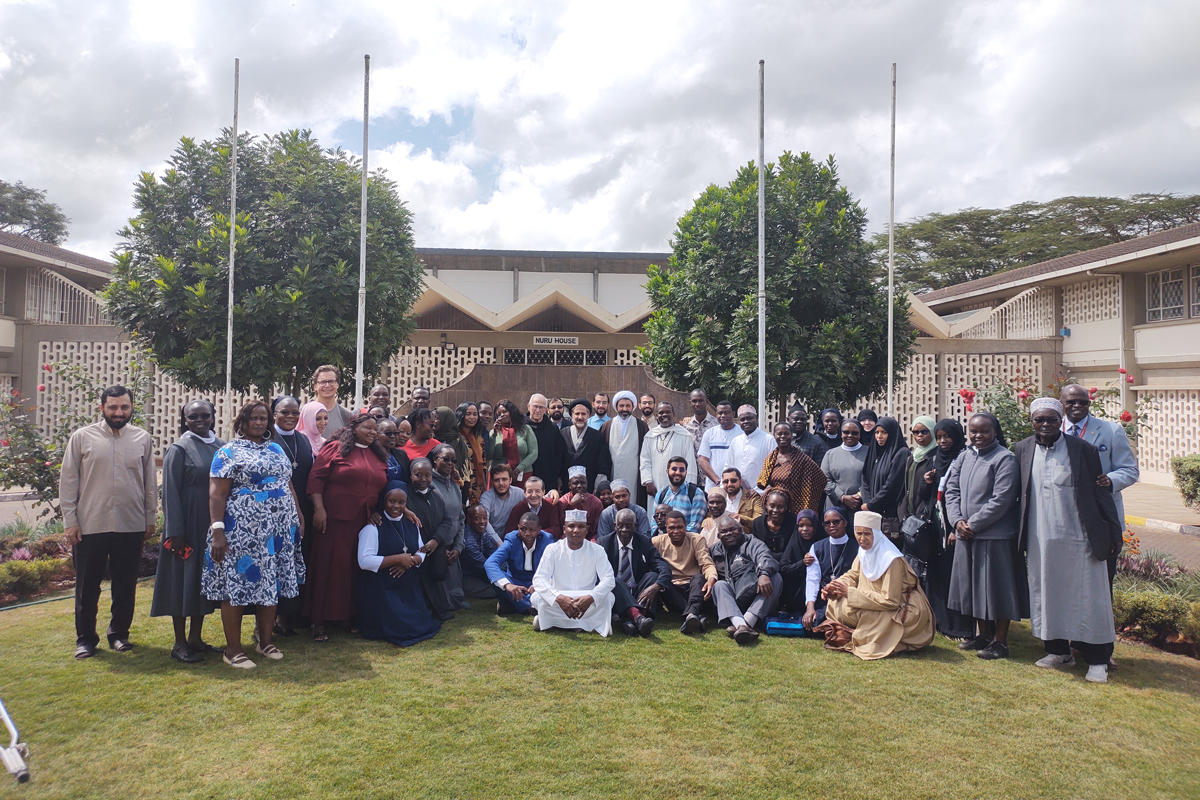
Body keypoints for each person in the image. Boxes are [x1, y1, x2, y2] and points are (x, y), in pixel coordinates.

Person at [1016, 398, 1123, 683]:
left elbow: (1102, 493)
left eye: (1052, 419)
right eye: (1040, 420)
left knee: (1090, 599)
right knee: (1048, 595)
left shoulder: (1082, 449)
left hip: (1080, 540)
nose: (1047, 424)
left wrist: (1113, 533)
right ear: (1032, 422)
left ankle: (1098, 659)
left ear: (1061, 419)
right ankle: (1058, 652)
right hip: (1041, 541)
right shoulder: (1023, 449)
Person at [204, 401, 305, 668]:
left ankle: (266, 641)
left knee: (271, 583)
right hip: (241, 532)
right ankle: (233, 649)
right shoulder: (228, 452)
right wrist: (218, 531)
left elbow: (288, 485)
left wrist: (298, 516)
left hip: (277, 531)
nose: (259, 423)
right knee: (236, 585)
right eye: (254, 418)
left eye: (264, 418)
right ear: (243, 422)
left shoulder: (276, 449)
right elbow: (217, 493)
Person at [60, 385, 158, 659]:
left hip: (130, 524)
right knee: (87, 586)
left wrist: (149, 517)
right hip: (90, 524)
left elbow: (150, 482)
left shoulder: (142, 438)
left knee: (125, 585)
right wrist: (70, 521)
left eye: (124, 407)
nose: (118, 412)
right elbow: (68, 482)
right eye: (113, 407)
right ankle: (86, 639)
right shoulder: (82, 438)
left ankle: (119, 634)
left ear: (131, 408)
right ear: (101, 407)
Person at [945, 412, 1023, 661]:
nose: (978, 436)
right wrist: (957, 520)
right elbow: (951, 489)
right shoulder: (965, 456)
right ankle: (983, 635)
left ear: (995, 431)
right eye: (974, 431)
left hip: (994, 536)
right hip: (966, 534)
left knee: (998, 588)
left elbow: (1002, 499)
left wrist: (973, 524)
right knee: (973, 587)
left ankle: (1001, 642)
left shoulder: (1004, 459)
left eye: (984, 431)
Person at [305, 412, 389, 641]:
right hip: (333, 519)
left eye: (375, 429)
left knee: (353, 569)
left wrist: (375, 510)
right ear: (353, 427)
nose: (372, 432)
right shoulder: (335, 448)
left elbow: (380, 488)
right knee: (328, 567)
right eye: (368, 428)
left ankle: (345, 615)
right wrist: (319, 509)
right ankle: (318, 620)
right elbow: (316, 478)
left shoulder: (377, 454)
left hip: (363, 522)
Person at [150, 399, 221, 663]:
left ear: (213, 417)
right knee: (181, 581)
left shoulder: (220, 446)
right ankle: (179, 642)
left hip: (211, 525)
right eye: (193, 417)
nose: (199, 420)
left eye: (205, 415)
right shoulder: (179, 448)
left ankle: (196, 638)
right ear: (185, 420)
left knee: (202, 581)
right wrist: (174, 531)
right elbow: (169, 491)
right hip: (186, 526)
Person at [815, 510, 935, 660]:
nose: (862, 539)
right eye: (858, 533)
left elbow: (890, 600)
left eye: (867, 534)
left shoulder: (891, 559)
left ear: (877, 534)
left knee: (870, 615)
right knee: (835, 601)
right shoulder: (865, 551)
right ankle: (858, 634)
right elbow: (853, 574)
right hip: (871, 600)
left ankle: (862, 636)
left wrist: (850, 593)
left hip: (902, 608)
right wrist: (836, 586)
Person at [1060, 383, 1140, 585]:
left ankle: (1104, 617)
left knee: (1102, 580)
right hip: (1062, 517)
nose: (1077, 405)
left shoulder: (1110, 431)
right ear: (1062, 403)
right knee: (1068, 581)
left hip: (1101, 516)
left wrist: (1111, 479)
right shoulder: (1051, 431)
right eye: (1071, 402)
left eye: (1083, 402)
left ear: (1089, 403)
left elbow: (1130, 470)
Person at [356, 483, 441, 647]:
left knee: (418, 625)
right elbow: (364, 561)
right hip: (382, 588)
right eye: (391, 501)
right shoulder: (373, 527)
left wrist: (412, 560)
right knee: (400, 627)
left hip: (406, 586)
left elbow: (421, 549)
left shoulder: (412, 523)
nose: (396, 506)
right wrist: (397, 559)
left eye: (401, 502)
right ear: (384, 501)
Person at [922, 419, 974, 640]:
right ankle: (940, 621)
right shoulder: (934, 459)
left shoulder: (965, 459)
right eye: (939, 436)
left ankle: (959, 626)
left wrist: (954, 526)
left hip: (956, 529)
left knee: (956, 577)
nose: (943, 441)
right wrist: (927, 482)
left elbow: (964, 496)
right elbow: (928, 498)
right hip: (936, 528)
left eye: (947, 436)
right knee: (937, 575)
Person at [269, 395, 315, 637]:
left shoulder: (303, 440)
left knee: (294, 563)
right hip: (274, 512)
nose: (290, 416)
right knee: (273, 563)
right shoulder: (267, 439)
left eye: (294, 412)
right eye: (284, 412)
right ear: (273, 413)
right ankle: (266, 621)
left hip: (301, 511)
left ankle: (288, 616)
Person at [531, 509, 617, 635]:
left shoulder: (597, 550)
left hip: (587, 598)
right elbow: (539, 579)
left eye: (581, 526)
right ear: (564, 529)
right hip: (559, 597)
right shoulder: (553, 549)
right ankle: (594, 623)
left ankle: (550, 621)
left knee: (609, 597)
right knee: (536, 597)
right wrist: (559, 598)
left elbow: (609, 579)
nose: (576, 530)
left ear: (587, 529)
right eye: (571, 526)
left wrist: (590, 597)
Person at [708, 515, 781, 644]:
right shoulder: (714, 550)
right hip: (731, 601)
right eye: (724, 532)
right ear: (718, 536)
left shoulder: (752, 542)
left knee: (775, 578)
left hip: (754, 593)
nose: (729, 533)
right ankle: (741, 625)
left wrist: (763, 574)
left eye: (732, 529)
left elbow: (764, 556)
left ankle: (745, 623)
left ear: (741, 529)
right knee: (719, 585)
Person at [599, 508, 670, 636]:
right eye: (621, 525)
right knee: (613, 580)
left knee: (652, 576)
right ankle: (638, 618)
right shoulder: (604, 543)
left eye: (629, 525)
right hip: (616, 593)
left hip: (638, 592)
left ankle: (630, 619)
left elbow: (662, 566)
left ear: (635, 526)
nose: (625, 529)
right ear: (615, 526)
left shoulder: (644, 542)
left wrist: (656, 586)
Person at [405, 458, 457, 619]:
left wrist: (436, 540)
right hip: (416, 549)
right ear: (410, 475)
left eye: (427, 476)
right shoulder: (406, 496)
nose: (423, 479)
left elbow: (447, 520)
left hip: (435, 546)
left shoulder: (436, 494)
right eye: (418, 475)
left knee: (437, 578)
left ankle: (439, 610)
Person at [652, 510, 719, 633]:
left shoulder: (697, 539)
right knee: (662, 582)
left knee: (699, 578)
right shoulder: (657, 542)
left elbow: (706, 563)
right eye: (672, 528)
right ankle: (695, 615)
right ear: (666, 527)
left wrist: (711, 579)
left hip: (693, 587)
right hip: (672, 588)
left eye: (680, 527)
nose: (676, 531)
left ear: (686, 526)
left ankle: (691, 615)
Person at [801, 507, 859, 631]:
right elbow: (812, 579)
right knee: (814, 622)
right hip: (825, 598)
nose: (831, 525)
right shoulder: (816, 547)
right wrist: (810, 607)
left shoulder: (857, 548)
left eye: (836, 522)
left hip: (847, 598)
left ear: (845, 523)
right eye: (827, 523)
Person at [485, 511, 554, 615]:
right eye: (523, 529)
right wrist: (508, 585)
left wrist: (541, 582)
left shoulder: (547, 540)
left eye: (532, 530)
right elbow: (490, 563)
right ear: (518, 528)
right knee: (496, 578)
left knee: (555, 580)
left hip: (538, 583)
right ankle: (531, 608)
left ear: (539, 530)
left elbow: (555, 566)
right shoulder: (512, 539)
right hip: (514, 583)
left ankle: (513, 606)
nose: (527, 533)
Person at [430, 444, 470, 611]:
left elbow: (461, 519)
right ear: (434, 459)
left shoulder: (454, 485)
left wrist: (458, 547)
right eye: (445, 459)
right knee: (441, 600)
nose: (450, 463)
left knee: (457, 595)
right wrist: (441, 548)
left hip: (453, 549)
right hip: (436, 550)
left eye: (453, 460)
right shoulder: (429, 484)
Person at [757, 421, 827, 515]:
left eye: (786, 433)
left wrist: (807, 497)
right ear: (774, 435)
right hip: (775, 507)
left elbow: (821, 479)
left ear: (792, 435)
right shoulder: (770, 459)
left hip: (795, 507)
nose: (783, 436)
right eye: (779, 434)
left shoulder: (801, 459)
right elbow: (763, 482)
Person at [860, 416, 911, 541]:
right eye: (877, 432)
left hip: (890, 516)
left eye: (884, 432)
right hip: (872, 514)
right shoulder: (875, 452)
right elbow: (865, 478)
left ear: (892, 433)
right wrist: (867, 503)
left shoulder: (901, 453)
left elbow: (892, 485)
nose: (879, 436)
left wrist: (872, 504)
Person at [599, 391, 650, 508]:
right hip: (613, 473)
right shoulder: (607, 425)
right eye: (621, 405)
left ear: (633, 407)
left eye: (628, 405)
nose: (624, 408)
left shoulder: (641, 426)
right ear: (616, 407)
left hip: (635, 475)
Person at [640, 402, 698, 496]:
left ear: (673, 414)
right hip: (655, 485)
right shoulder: (650, 436)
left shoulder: (684, 435)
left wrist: (689, 486)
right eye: (661, 412)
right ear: (656, 415)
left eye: (668, 412)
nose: (664, 415)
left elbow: (690, 462)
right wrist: (648, 482)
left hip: (680, 486)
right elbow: (645, 461)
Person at [561, 397, 612, 492]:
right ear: (572, 415)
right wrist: (558, 480)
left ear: (589, 415)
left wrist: (598, 486)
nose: (580, 417)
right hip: (566, 486)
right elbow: (557, 459)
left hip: (589, 487)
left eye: (583, 414)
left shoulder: (597, 436)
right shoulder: (563, 433)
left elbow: (602, 464)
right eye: (577, 414)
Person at [777, 509, 823, 613]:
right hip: (796, 588)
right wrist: (802, 563)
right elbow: (784, 567)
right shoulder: (794, 541)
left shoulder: (822, 542)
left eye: (809, 525)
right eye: (801, 526)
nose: (805, 529)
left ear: (815, 526)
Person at [489, 399, 538, 488]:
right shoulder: (494, 432)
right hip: (499, 477)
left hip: (522, 474)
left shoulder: (525, 429)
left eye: (504, 412)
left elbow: (533, 453)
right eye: (498, 414)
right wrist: (494, 435)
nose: (502, 415)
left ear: (512, 412)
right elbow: (489, 456)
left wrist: (517, 470)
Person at [821, 419, 867, 512]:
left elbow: (873, 477)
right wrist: (842, 497)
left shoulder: (869, 453)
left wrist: (860, 495)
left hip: (861, 505)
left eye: (854, 433)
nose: (850, 435)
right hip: (835, 505)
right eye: (846, 432)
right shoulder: (830, 454)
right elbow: (824, 479)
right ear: (841, 433)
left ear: (860, 434)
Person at [727, 406, 773, 497]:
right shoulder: (736, 441)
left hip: (762, 494)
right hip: (739, 494)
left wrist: (759, 490)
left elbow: (772, 468)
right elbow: (729, 466)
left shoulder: (768, 439)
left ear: (756, 419)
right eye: (742, 419)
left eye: (749, 418)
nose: (746, 421)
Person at [654, 457, 707, 533]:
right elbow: (654, 524)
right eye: (674, 469)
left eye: (681, 470)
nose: (678, 472)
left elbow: (695, 526)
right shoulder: (661, 494)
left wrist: (676, 538)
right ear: (667, 472)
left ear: (686, 472)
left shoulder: (696, 493)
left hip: (687, 541)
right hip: (663, 541)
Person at [460, 503, 500, 599]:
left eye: (485, 518)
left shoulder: (482, 533)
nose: (482, 522)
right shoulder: (467, 539)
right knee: (496, 590)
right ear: (469, 520)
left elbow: (493, 554)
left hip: (480, 573)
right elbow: (483, 564)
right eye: (477, 518)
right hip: (467, 577)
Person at [527, 393, 565, 494]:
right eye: (535, 406)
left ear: (546, 410)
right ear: (528, 406)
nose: (538, 410)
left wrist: (557, 477)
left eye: (541, 407)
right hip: (526, 476)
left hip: (548, 479)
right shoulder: (521, 426)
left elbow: (559, 454)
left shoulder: (552, 428)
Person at [697, 401, 738, 490]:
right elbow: (702, 460)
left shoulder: (741, 433)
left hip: (736, 487)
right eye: (720, 413)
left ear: (733, 414)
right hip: (714, 486)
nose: (723, 415)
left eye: (726, 413)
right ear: (716, 415)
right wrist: (718, 481)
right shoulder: (709, 433)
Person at [749, 489, 796, 565]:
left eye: (780, 507)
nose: (775, 510)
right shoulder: (757, 523)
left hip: (788, 566)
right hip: (763, 564)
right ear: (766, 505)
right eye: (772, 506)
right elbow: (755, 549)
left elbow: (793, 551)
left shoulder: (794, 522)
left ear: (786, 507)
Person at [556, 465, 604, 539]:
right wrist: (572, 504)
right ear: (569, 485)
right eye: (575, 483)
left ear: (587, 484)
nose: (579, 486)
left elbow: (597, 529)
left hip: (589, 539)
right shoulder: (563, 501)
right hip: (567, 538)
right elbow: (562, 525)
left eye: (582, 483)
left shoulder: (596, 502)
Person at [455, 402, 489, 504]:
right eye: (468, 414)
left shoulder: (478, 438)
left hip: (476, 484)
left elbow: (483, 464)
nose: (472, 417)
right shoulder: (456, 438)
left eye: (475, 414)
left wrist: (484, 485)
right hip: (461, 482)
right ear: (461, 415)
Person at [480, 463, 525, 537]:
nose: (501, 483)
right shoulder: (486, 497)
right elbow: (485, 522)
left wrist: (551, 492)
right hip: (489, 541)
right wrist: (499, 543)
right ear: (492, 482)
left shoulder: (519, 494)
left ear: (510, 480)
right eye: (497, 480)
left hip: (512, 539)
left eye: (504, 479)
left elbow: (535, 499)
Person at [311, 365, 353, 439]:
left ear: (337, 385)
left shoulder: (346, 415)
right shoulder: (303, 413)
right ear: (315, 386)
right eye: (322, 382)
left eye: (331, 381)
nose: (327, 385)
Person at [719, 467, 763, 534]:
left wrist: (741, 518)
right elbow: (709, 516)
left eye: (733, 481)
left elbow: (759, 522)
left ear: (741, 481)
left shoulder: (753, 498)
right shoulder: (719, 497)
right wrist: (706, 521)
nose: (729, 484)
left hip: (746, 539)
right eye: (726, 481)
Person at [377, 417, 411, 485]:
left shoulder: (401, 454)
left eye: (395, 433)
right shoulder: (370, 454)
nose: (393, 436)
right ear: (376, 434)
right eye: (388, 433)